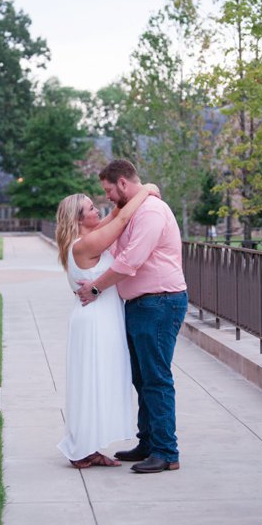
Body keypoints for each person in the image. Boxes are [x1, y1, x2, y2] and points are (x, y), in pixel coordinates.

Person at [73, 159, 189, 474]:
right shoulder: (135, 210)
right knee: (141, 378)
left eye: (109, 190)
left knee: (156, 378)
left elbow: (129, 262)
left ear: (122, 184)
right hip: (141, 305)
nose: (107, 197)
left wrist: (95, 289)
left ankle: (166, 452)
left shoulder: (151, 213)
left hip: (160, 303)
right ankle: (148, 442)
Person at [54, 183, 159, 469]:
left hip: (101, 318)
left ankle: (89, 447)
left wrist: (129, 196)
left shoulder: (88, 236)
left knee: (98, 383)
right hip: (95, 322)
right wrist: (146, 190)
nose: (96, 209)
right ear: (78, 218)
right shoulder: (85, 244)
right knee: (92, 384)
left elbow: (115, 214)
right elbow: (122, 219)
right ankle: (80, 449)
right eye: (90, 208)